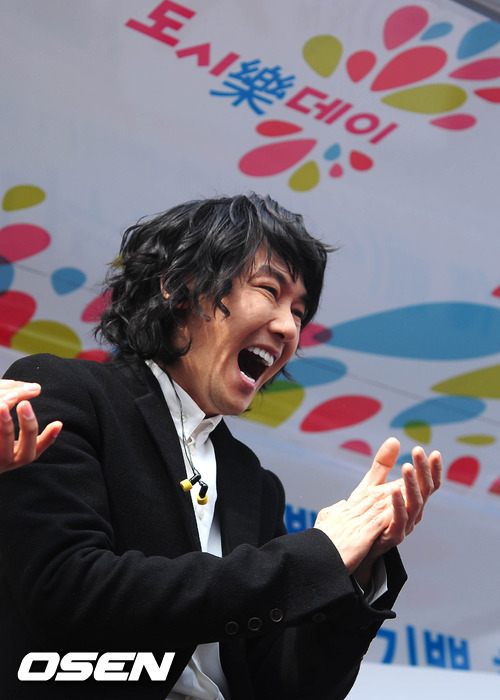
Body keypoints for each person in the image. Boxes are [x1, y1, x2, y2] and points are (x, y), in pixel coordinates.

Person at [0, 193, 441, 700]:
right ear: (178, 287)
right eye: (269, 290)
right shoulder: (62, 392)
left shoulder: (251, 480)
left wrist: (356, 562)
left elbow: (287, 687)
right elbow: (68, 592)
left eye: (299, 313)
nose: (288, 327)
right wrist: (315, 555)